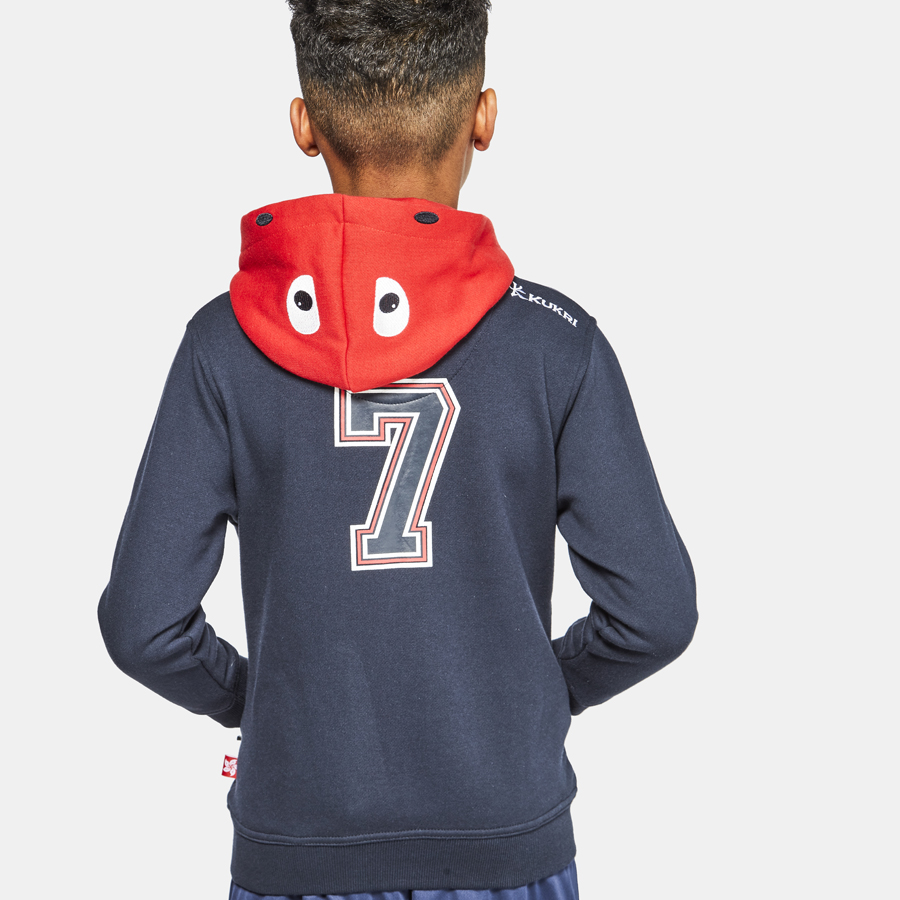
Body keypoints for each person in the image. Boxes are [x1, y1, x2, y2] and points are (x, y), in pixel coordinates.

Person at [97, 1, 698, 898]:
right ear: (484, 117)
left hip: (296, 843)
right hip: (505, 840)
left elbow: (143, 625)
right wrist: (538, 690)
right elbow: (658, 613)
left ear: (305, 124)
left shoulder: (221, 345)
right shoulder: (557, 345)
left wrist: (255, 702)